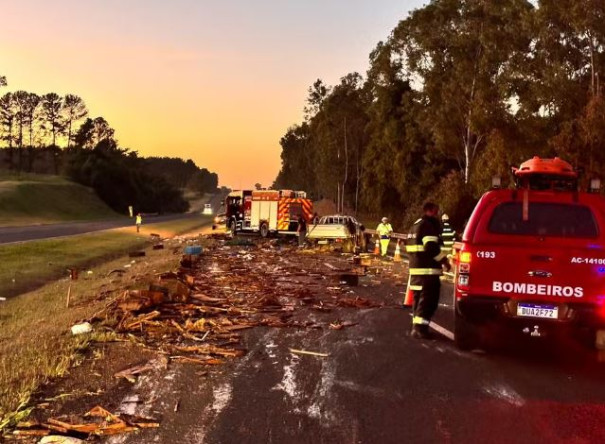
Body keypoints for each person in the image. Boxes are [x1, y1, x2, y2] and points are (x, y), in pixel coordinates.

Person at [406, 202, 451, 339]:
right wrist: (444, 261)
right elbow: (431, 247)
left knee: (418, 299)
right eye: (436, 211)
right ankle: (420, 330)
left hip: (416, 270)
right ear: (430, 211)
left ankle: (417, 327)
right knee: (428, 301)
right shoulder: (428, 225)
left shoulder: (415, 225)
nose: (437, 214)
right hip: (427, 271)